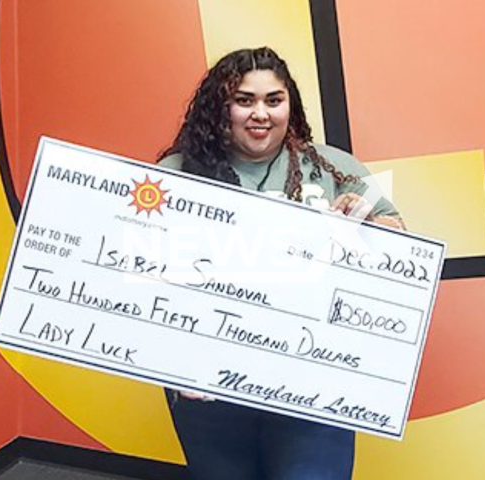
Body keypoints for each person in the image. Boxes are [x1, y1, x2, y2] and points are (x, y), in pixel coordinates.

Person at [158, 47, 403, 480]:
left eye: (274, 100)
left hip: (315, 384)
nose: (261, 113)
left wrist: (370, 225)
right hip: (211, 387)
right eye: (244, 100)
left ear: (291, 104)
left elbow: (401, 246)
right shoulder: (176, 171)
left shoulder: (334, 167)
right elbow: (143, 263)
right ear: (220, 107)